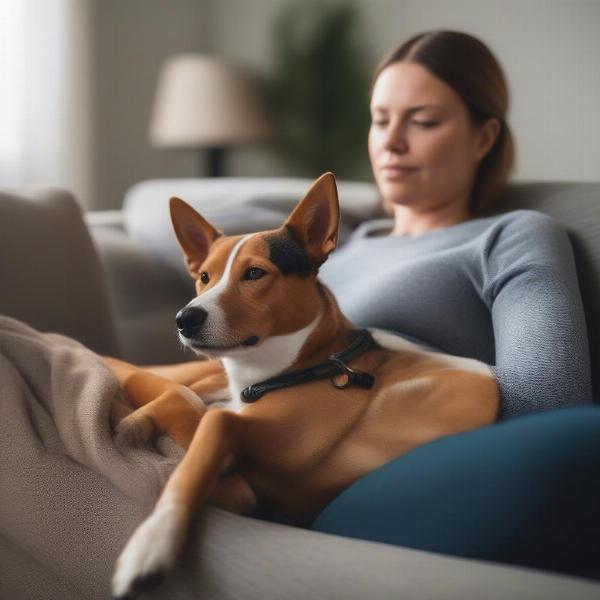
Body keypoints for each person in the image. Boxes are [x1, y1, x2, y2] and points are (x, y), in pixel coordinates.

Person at [310, 30, 600, 580]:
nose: (391, 142)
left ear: (483, 137)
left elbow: (549, 408)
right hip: (279, 452)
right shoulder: (327, 252)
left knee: (586, 438)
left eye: (422, 122)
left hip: (405, 472)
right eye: (380, 118)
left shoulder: (510, 235)